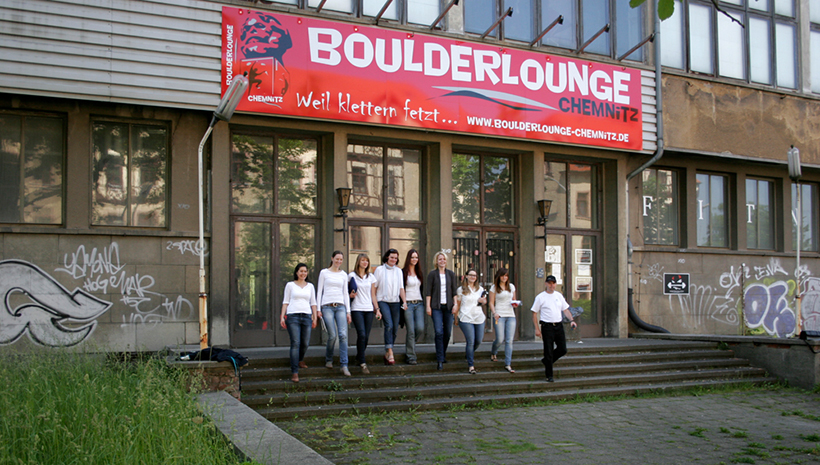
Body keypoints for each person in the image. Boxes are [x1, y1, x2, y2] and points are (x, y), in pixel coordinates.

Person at [531, 275, 577, 382]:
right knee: (548, 350)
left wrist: (572, 320)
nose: (552, 285)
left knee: (562, 349)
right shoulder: (540, 297)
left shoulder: (558, 296)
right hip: (547, 326)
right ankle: (549, 375)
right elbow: (534, 313)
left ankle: (547, 361)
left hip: (558, 325)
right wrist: (537, 329)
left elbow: (565, 309)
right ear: (546, 284)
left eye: (553, 283)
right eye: (550, 283)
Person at [280, 263, 318, 383]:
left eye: (305, 271)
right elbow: (285, 301)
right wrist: (282, 317)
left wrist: (315, 317)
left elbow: (313, 303)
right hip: (293, 316)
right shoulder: (290, 285)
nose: (303, 273)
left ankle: (300, 359)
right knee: (295, 343)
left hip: (306, 316)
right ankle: (294, 372)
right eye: (301, 271)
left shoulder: (310, 286)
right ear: (296, 272)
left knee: (305, 342)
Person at [317, 250, 352, 376]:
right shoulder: (324, 273)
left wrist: (348, 311)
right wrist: (318, 309)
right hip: (327, 306)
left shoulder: (343, 274)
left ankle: (344, 365)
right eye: (337, 259)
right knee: (332, 335)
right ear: (332, 258)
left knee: (343, 335)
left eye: (341, 259)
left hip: (341, 306)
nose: (339, 261)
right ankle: (329, 359)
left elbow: (345, 293)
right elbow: (319, 291)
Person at [425, 252, 459, 371]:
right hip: (436, 307)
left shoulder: (451, 274)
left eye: (444, 259)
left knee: (447, 333)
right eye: (440, 259)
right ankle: (440, 360)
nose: (442, 261)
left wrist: (455, 304)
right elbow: (428, 292)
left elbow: (454, 291)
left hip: (448, 307)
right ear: (436, 261)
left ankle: (442, 353)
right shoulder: (432, 274)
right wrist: (428, 306)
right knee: (439, 332)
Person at [349, 253, 382, 374]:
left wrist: (377, 309)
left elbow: (373, 295)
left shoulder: (371, 277)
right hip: (356, 308)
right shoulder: (351, 276)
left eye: (366, 261)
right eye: (362, 260)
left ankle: (359, 356)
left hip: (368, 309)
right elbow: (347, 292)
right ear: (358, 261)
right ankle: (363, 363)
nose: (365, 263)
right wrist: (350, 295)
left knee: (366, 336)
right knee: (361, 334)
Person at [373, 248, 405, 365]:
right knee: (389, 325)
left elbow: (401, 288)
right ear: (387, 257)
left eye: (396, 258)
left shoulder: (399, 271)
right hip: (383, 301)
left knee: (395, 328)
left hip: (395, 302)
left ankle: (388, 350)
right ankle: (390, 351)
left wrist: (404, 301)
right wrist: (376, 306)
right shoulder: (379, 270)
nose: (393, 260)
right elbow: (374, 288)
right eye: (391, 257)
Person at [456, 270, 486, 374]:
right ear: (466, 276)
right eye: (471, 275)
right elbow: (458, 304)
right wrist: (456, 317)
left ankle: (469, 354)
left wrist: (483, 301)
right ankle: (471, 365)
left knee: (478, 340)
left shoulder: (480, 289)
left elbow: (484, 300)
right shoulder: (461, 289)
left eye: (475, 275)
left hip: (478, 317)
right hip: (465, 317)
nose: (473, 277)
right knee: (471, 341)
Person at [489, 268, 519, 373]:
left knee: (509, 340)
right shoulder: (494, 287)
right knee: (500, 339)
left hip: (510, 315)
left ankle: (508, 364)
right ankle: (494, 351)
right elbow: (491, 302)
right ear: (498, 276)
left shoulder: (511, 286)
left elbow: (514, 300)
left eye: (506, 276)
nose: (504, 277)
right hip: (499, 315)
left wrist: (515, 304)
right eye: (502, 275)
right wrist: (494, 313)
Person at [402, 249, 425, 365]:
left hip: (419, 303)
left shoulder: (419, 272)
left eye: (416, 257)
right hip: (408, 304)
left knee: (420, 328)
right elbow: (401, 288)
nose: (414, 259)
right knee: (410, 331)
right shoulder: (403, 272)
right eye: (412, 257)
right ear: (408, 258)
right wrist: (403, 302)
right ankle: (411, 356)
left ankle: (410, 346)